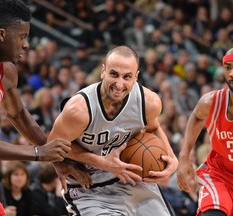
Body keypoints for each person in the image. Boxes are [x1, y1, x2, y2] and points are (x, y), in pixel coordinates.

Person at [0, 0, 73, 215]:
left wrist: (56, 160)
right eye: (22, 36)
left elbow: (19, 115)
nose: (26, 44)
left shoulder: (7, 72)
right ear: (1, 34)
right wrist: (39, 153)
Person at [48, 45, 179, 215]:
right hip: (89, 188)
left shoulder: (149, 102)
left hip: (131, 180)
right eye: (114, 74)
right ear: (103, 71)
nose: (119, 84)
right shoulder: (79, 110)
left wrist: (172, 158)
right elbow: (52, 145)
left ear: (136, 77)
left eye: (127, 77)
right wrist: (101, 162)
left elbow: (154, 128)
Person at [177, 46, 233, 216]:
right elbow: (196, 117)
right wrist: (184, 156)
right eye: (228, 67)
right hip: (220, 175)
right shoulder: (211, 102)